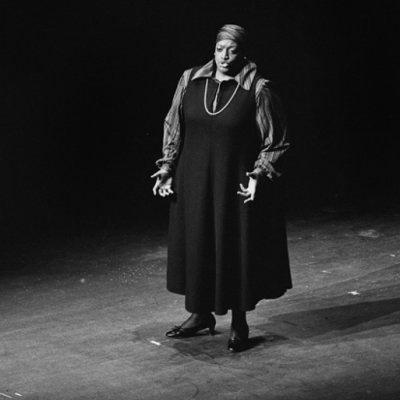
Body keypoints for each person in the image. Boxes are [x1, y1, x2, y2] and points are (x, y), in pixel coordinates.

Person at [151, 24, 292, 352]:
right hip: (194, 180)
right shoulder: (190, 80)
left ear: (242, 52)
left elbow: (276, 140)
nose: (225, 56)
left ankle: (239, 322)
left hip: (235, 183)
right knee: (199, 243)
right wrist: (167, 168)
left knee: (235, 249)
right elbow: (174, 126)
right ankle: (201, 315)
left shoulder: (258, 88)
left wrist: (259, 175)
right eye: (219, 49)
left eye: (232, 49)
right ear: (212, 49)